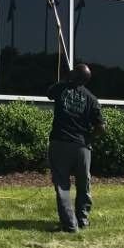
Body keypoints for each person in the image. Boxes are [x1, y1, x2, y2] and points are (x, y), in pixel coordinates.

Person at [46, 63, 105, 233]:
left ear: (74, 75)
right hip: (82, 147)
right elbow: (101, 127)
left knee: (62, 186)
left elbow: (49, 93)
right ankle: (83, 220)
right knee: (83, 184)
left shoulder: (61, 88)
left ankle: (70, 225)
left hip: (60, 144)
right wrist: (89, 138)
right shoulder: (91, 98)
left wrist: (65, 79)